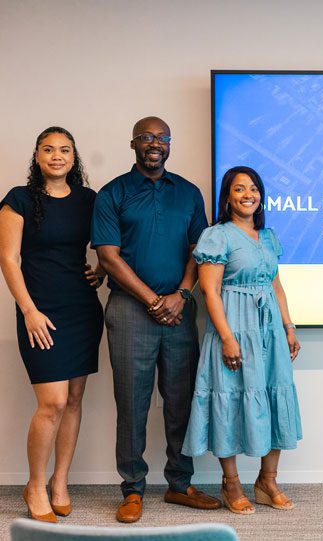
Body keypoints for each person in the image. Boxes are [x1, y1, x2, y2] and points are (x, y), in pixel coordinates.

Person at [91, 116, 221, 523]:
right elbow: (108, 256)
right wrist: (152, 300)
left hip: (180, 309)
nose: (155, 143)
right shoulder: (113, 193)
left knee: (181, 400)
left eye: (162, 138)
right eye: (147, 137)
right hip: (130, 310)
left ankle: (180, 484)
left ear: (170, 144)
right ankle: (132, 489)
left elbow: (199, 248)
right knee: (132, 402)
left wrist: (181, 294)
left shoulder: (187, 193)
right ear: (133, 144)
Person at [182, 166, 302, 514]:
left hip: (269, 332)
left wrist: (289, 327)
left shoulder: (268, 236)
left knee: (273, 394)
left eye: (253, 188)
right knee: (230, 399)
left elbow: (275, 286)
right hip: (233, 328)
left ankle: (267, 480)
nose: (248, 194)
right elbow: (209, 290)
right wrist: (226, 338)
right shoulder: (217, 235)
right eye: (239, 189)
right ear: (228, 196)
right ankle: (231, 483)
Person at [0, 127, 104, 522]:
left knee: (74, 400)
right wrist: (28, 310)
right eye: (49, 149)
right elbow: (9, 260)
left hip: (81, 308)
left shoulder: (88, 200)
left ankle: (60, 482)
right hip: (39, 311)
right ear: (38, 155)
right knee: (53, 402)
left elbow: (108, 246)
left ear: (74, 157)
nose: (57, 156)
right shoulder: (19, 199)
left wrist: (100, 273)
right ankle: (34, 484)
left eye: (64, 150)